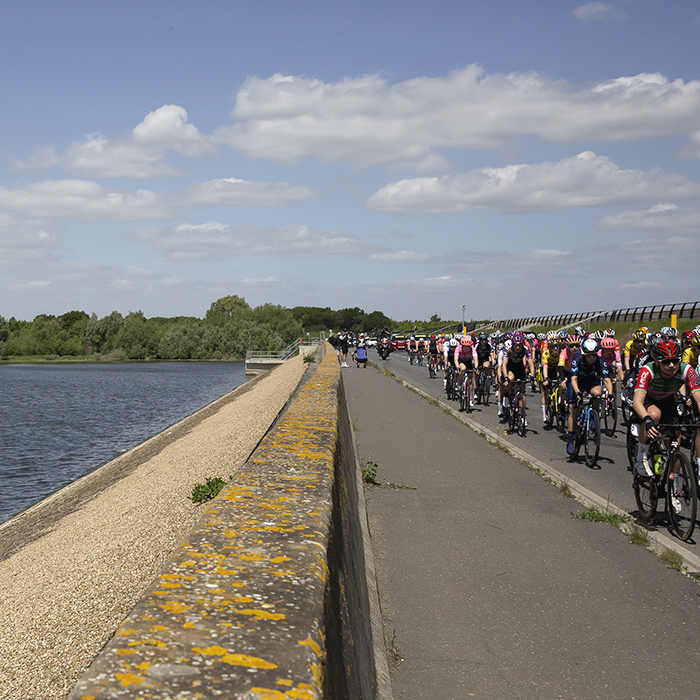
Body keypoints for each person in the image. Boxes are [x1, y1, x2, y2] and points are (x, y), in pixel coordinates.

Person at [632, 338, 700, 513]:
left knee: (675, 444)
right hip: (649, 401)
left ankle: (673, 491)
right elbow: (637, 402)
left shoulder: (687, 370)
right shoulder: (648, 370)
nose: (671, 365)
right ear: (657, 361)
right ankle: (641, 456)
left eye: (675, 360)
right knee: (654, 415)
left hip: (669, 400)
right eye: (666, 362)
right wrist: (646, 419)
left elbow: (698, 396)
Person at [566, 337, 605, 456]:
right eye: (589, 355)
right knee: (574, 409)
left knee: (598, 394)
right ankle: (571, 439)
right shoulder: (577, 360)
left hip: (590, 381)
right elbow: (573, 379)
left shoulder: (599, 360)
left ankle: (594, 417)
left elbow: (607, 378)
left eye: (593, 354)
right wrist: (577, 392)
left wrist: (611, 392)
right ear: (584, 354)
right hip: (576, 383)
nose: (592, 357)